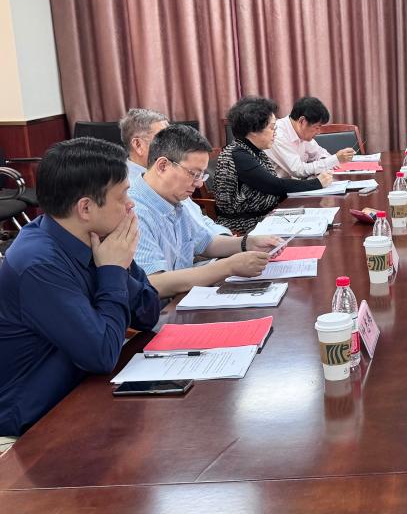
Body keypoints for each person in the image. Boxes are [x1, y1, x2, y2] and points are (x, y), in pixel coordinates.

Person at [0, 137, 160, 436]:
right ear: (85, 208)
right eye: (123, 195)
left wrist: (120, 267)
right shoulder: (37, 264)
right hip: (32, 423)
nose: (131, 204)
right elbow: (101, 355)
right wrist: (113, 270)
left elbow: (148, 314)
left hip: (81, 391)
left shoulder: (99, 238)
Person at [130, 124, 282, 297]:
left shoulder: (175, 198)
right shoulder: (135, 211)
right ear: (163, 166)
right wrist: (228, 267)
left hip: (184, 298)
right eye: (194, 174)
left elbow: (205, 243)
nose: (199, 183)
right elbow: (153, 283)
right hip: (160, 309)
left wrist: (247, 243)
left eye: (202, 175)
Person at [215, 96, 333, 233]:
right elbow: (274, 185)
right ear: (254, 130)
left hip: (268, 216)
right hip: (245, 225)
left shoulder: (254, 151)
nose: (275, 133)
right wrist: (317, 183)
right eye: (272, 128)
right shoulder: (239, 154)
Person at [119, 108, 231, 236]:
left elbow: (198, 219)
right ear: (138, 145)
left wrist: (225, 236)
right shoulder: (127, 189)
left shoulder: (174, 175)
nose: (173, 143)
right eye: (162, 137)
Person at [267, 96, 355, 179]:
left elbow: (319, 153)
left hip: (299, 184)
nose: (319, 132)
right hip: (279, 188)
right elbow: (298, 170)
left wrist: (330, 161)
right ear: (302, 121)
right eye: (317, 127)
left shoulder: (302, 132)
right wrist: (335, 159)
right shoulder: (277, 134)